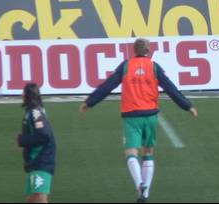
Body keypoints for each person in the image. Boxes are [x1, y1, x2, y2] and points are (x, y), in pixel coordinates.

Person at [79, 38, 198, 203]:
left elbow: (108, 86)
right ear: (149, 50)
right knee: (148, 153)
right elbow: (170, 88)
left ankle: (139, 184)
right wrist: (187, 106)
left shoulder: (126, 66)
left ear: (134, 50)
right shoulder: (154, 67)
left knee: (131, 153)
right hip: (150, 116)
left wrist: (89, 102)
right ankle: (145, 194)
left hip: (131, 116)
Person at [18, 83, 56, 204]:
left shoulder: (35, 113)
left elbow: (44, 135)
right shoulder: (33, 111)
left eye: (23, 92)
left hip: (41, 159)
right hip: (36, 160)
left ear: (27, 95)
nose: (22, 95)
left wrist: (22, 140)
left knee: (40, 195)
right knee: (34, 197)